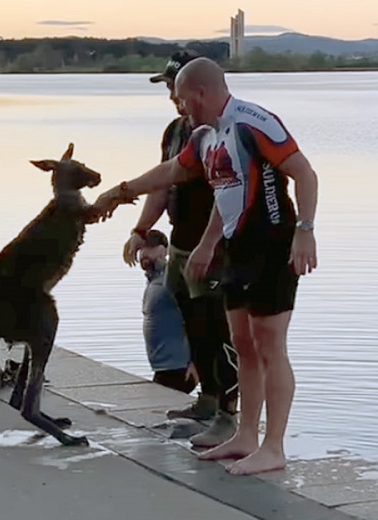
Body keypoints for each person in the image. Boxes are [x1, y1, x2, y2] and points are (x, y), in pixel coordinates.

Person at [93, 57, 318, 476]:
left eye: (181, 97)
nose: (179, 106)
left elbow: (305, 173)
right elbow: (177, 174)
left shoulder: (254, 122)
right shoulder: (204, 137)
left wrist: (305, 230)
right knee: (243, 345)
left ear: (199, 93)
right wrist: (120, 192)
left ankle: (274, 447)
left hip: (273, 246)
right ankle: (246, 434)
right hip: (235, 250)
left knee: (270, 346)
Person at [124, 50, 239, 448]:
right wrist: (142, 228)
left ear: (195, 88)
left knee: (215, 323)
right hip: (181, 240)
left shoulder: (224, 130)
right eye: (169, 89)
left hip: (218, 243)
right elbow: (163, 183)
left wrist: (211, 244)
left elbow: (228, 194)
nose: (172, 96)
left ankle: (229, 409)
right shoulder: (176, 131)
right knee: (190, 320)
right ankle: (206, 400)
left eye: (175, 88)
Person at [138, 229, 197, 395]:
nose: (144, 253)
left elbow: (195, 318)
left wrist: (196, 363)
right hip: (163, 368)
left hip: (178, 369)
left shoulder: (171, 279)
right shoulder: (153, 280)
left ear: (164, 250)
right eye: (142, 249)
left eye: (150, 248)